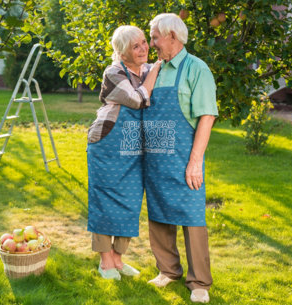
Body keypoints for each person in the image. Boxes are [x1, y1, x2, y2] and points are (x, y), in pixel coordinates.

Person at [143, 13, 218, 303]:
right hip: (155, 158)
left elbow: (207, 116)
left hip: (184, 156)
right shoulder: (155, 70)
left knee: (192, 216)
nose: (152, 44)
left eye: (155, 37)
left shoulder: (196, 69)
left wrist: (195, 160)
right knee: (158, 213)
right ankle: (168, 270)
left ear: (172, 36)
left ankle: (199, 281)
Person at [87, 25, 161, 280]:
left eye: (144, 42)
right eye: (136, 46)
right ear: (122, 53)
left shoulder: (148, 70)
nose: (144, 49)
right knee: (105, 199)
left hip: (136, 143)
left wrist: (153, 71)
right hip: (107, 141)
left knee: (130, 200)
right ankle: (105, 260)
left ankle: (118, 259)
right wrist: (155, 71)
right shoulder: (114, 72)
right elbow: (138, 99)